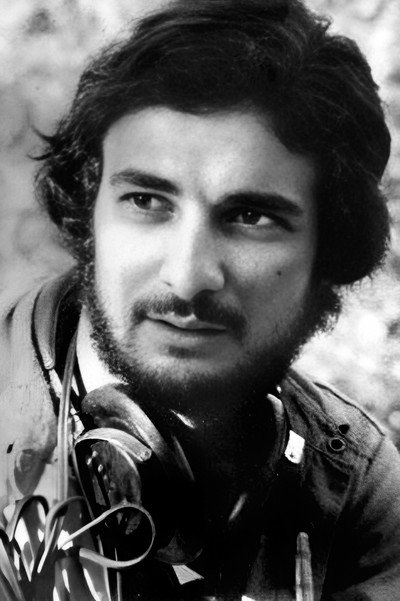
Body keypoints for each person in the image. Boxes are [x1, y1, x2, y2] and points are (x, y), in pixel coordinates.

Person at [1, 0, 400, 599]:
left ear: (329, 251)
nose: (187, 278)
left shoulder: (358, 490)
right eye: (146, 201)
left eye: (250, 216)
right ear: (88, 212)